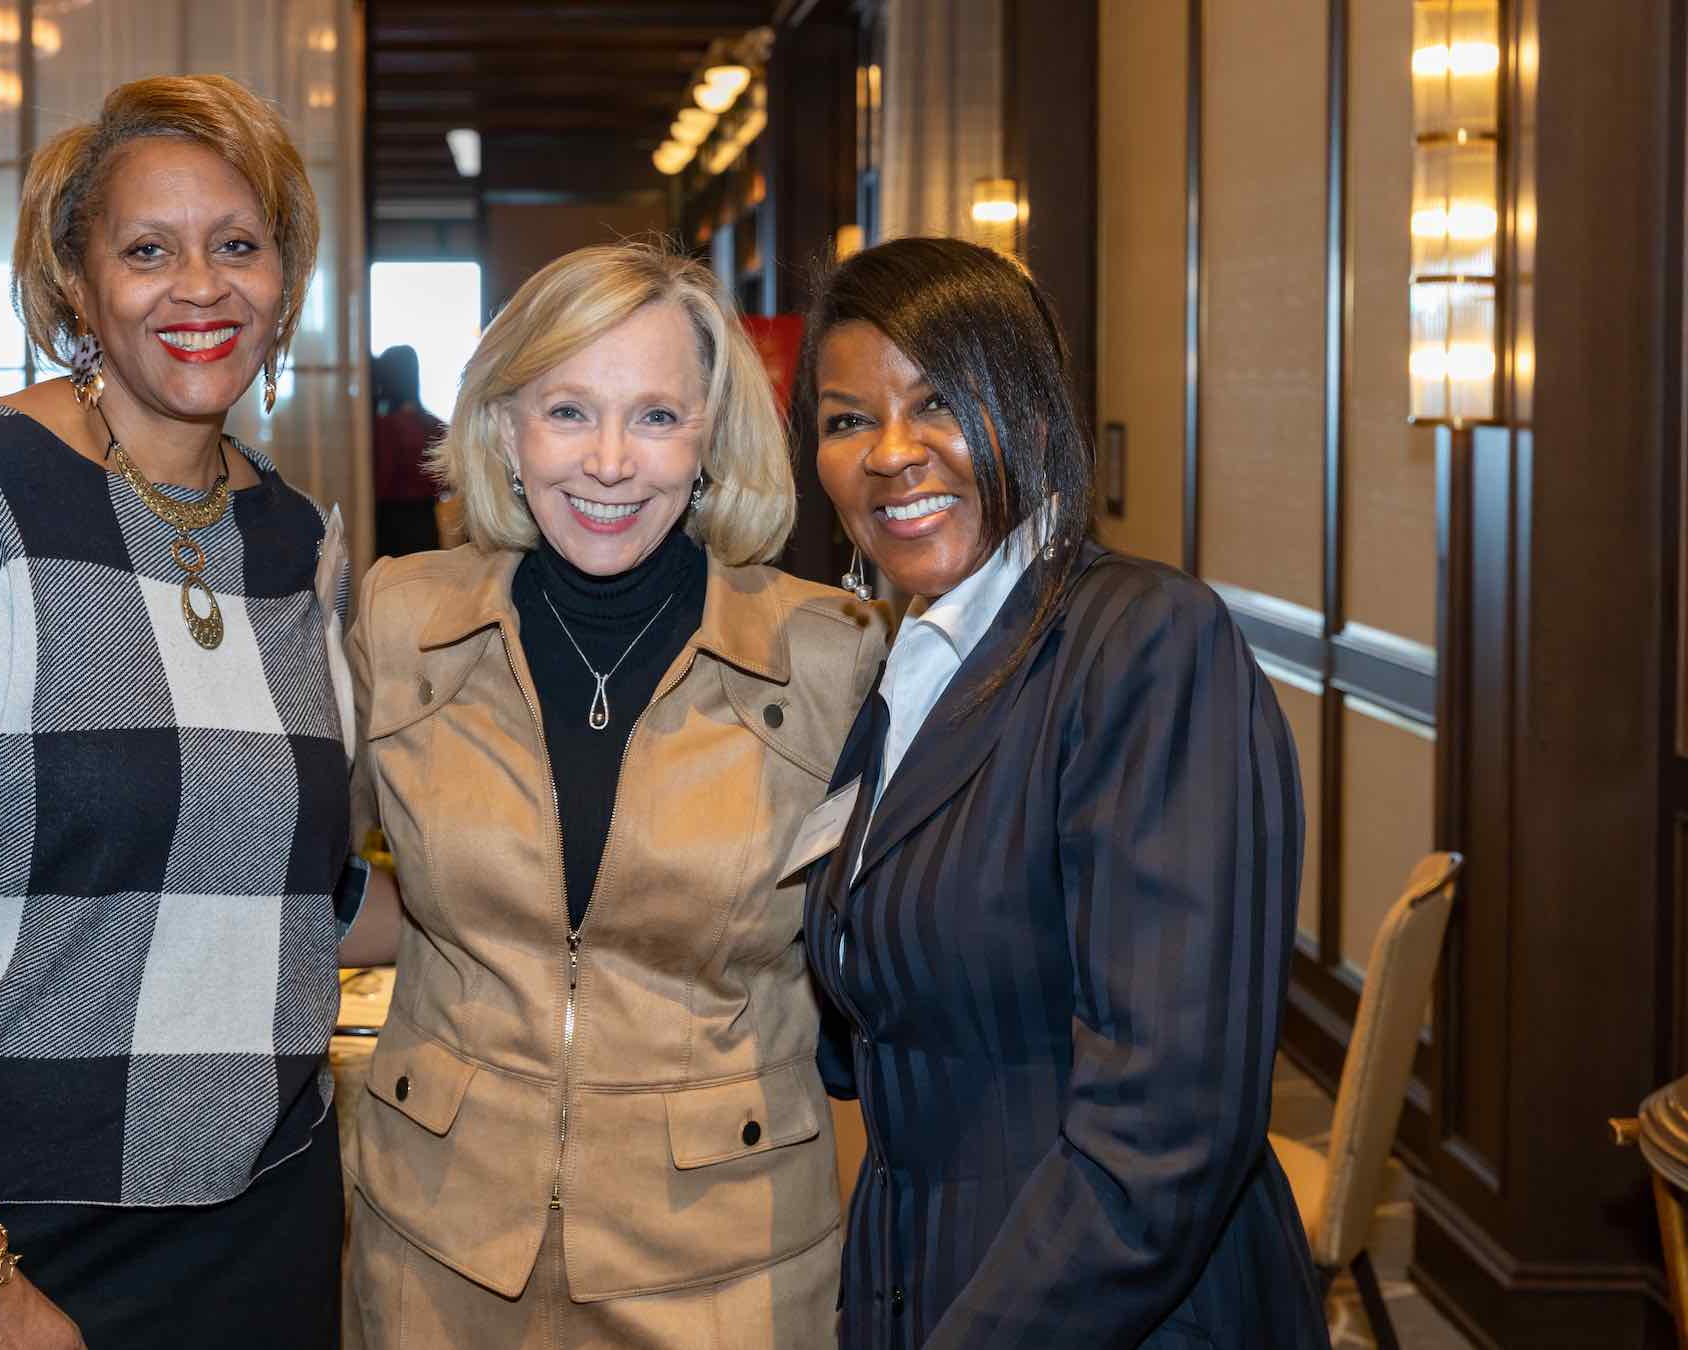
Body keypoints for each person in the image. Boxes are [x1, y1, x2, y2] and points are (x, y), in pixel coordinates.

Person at [0, 75, 361, 1346]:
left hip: (255, 1222)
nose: (200, 287)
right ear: (75, 289)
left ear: (285, 280)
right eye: (147, 250)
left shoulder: (297, 542)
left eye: (238, 245)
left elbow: (298, 898)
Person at [339, 240, 883, 1347]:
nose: (608, 462)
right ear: (504, 428)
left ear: (712, 442)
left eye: (655, 417)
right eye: (569, 411)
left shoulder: (831, 655)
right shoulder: (400, 620)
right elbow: (291, 869)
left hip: (726, 1261)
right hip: (435, 1245)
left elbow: (885, 950)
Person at [795, 237, 1328, 1349]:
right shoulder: (906, 670)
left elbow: (1167, 1130)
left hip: (1101, 1305)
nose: (890, 455)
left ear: (1031, 417)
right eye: (847, 421)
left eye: (938, 403)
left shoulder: (1145, 644)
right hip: (925, 1272)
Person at [371, 344, 447, 557]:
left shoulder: (378, 428)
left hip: (388, 524)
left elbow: (380, 478)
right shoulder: (435, 426)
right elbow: (447, 481)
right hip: (426, 523)